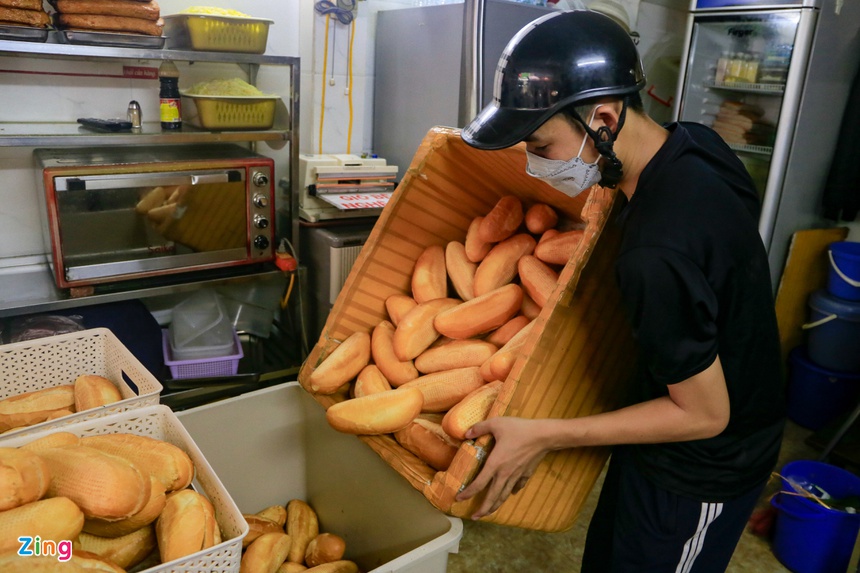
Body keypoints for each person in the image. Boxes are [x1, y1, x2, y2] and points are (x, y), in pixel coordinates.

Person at [456, 10, 786, 573]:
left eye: (541, 145)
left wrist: (543, 435)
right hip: (660, 429)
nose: (534, 167)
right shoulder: (695, 146)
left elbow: (705, 416)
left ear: (604, 118)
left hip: (702, 466)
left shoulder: (654, 255)